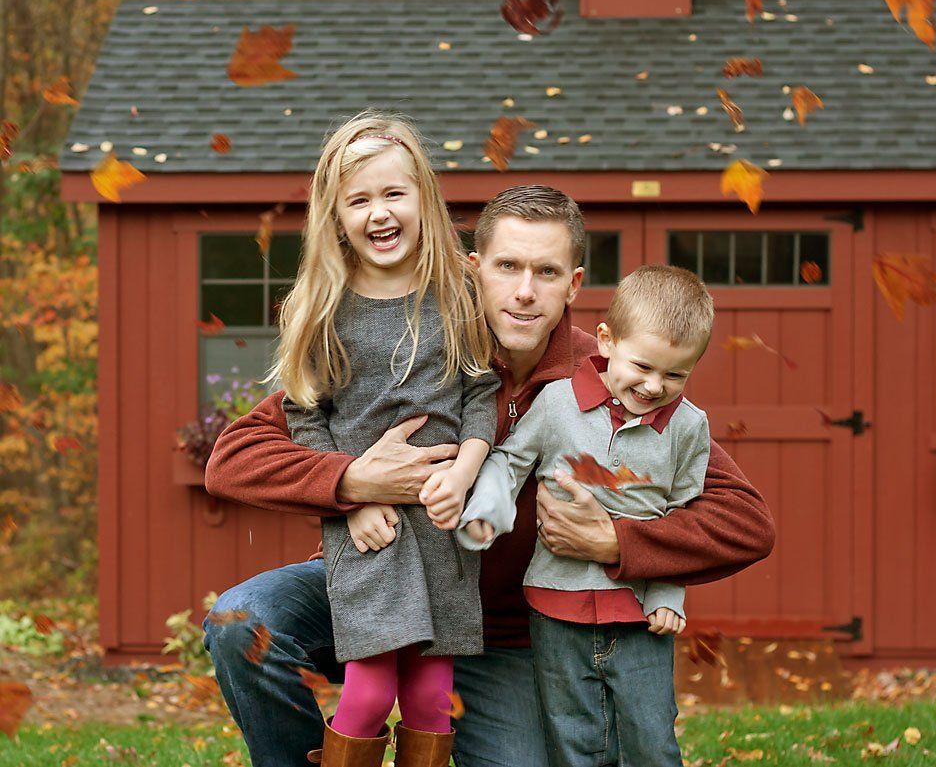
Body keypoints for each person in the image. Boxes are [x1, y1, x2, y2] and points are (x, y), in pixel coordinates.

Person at [203, 184, 777, 767]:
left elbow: (745, 521)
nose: (525, 292)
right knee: (241, 623)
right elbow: (235, 456)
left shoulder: (618, 381)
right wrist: (353, 482)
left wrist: (618, 542)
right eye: (507, 267)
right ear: (475, 270)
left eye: (547, 272)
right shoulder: (414, 341)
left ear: (574, 285)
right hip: (375, 583)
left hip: (504, 637)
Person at [264, 110, 499, 766]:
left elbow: (480, 392)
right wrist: (352, 498)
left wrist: (467, 468)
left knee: (431, 696)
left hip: (442, 531)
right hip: (368, 533)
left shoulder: (454, 294)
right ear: (335, 215)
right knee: (367, 693)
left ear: (423, 196)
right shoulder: (321, 307)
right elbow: (305, 417)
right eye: (359, 199)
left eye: (394, 193)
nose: (379, 212)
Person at [459, 265, 715, 767]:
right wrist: (489, 509)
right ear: (606, 341)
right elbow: (510, 460)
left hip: (640, 612)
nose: (654, 385)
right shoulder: (558, 404)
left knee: (650, 738)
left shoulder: (689, 427)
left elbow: (686, 514)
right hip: (555, 605)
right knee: (571, 737)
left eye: (676, 374)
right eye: (642, 366)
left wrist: (668, 591)